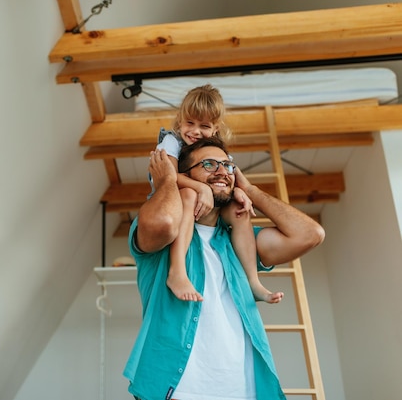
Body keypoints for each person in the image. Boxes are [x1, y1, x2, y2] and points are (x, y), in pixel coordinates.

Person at [124, 136, 325, 400]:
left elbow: (310, 234)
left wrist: (249, 189)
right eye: (208, 164)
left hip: (244, 392)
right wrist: (168, 180)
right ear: (188, 175)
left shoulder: (240, 243)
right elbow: (162, 220)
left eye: (227, 165)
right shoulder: (167, 240)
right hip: (175, 391)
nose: (221, 171)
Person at [151, 84, 282, 304]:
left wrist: (240, 192)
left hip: (207, 204)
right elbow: (169, 176)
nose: (195, 131)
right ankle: (177, 272)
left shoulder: (217, 151)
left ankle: (252, 281)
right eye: (189, 123)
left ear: (215, 129)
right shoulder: (172, 141)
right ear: (180, 120)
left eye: (204, 126)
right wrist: (200, 187)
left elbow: (230, 178)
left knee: (239, 210)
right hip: (173, 199)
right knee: (190, 195)